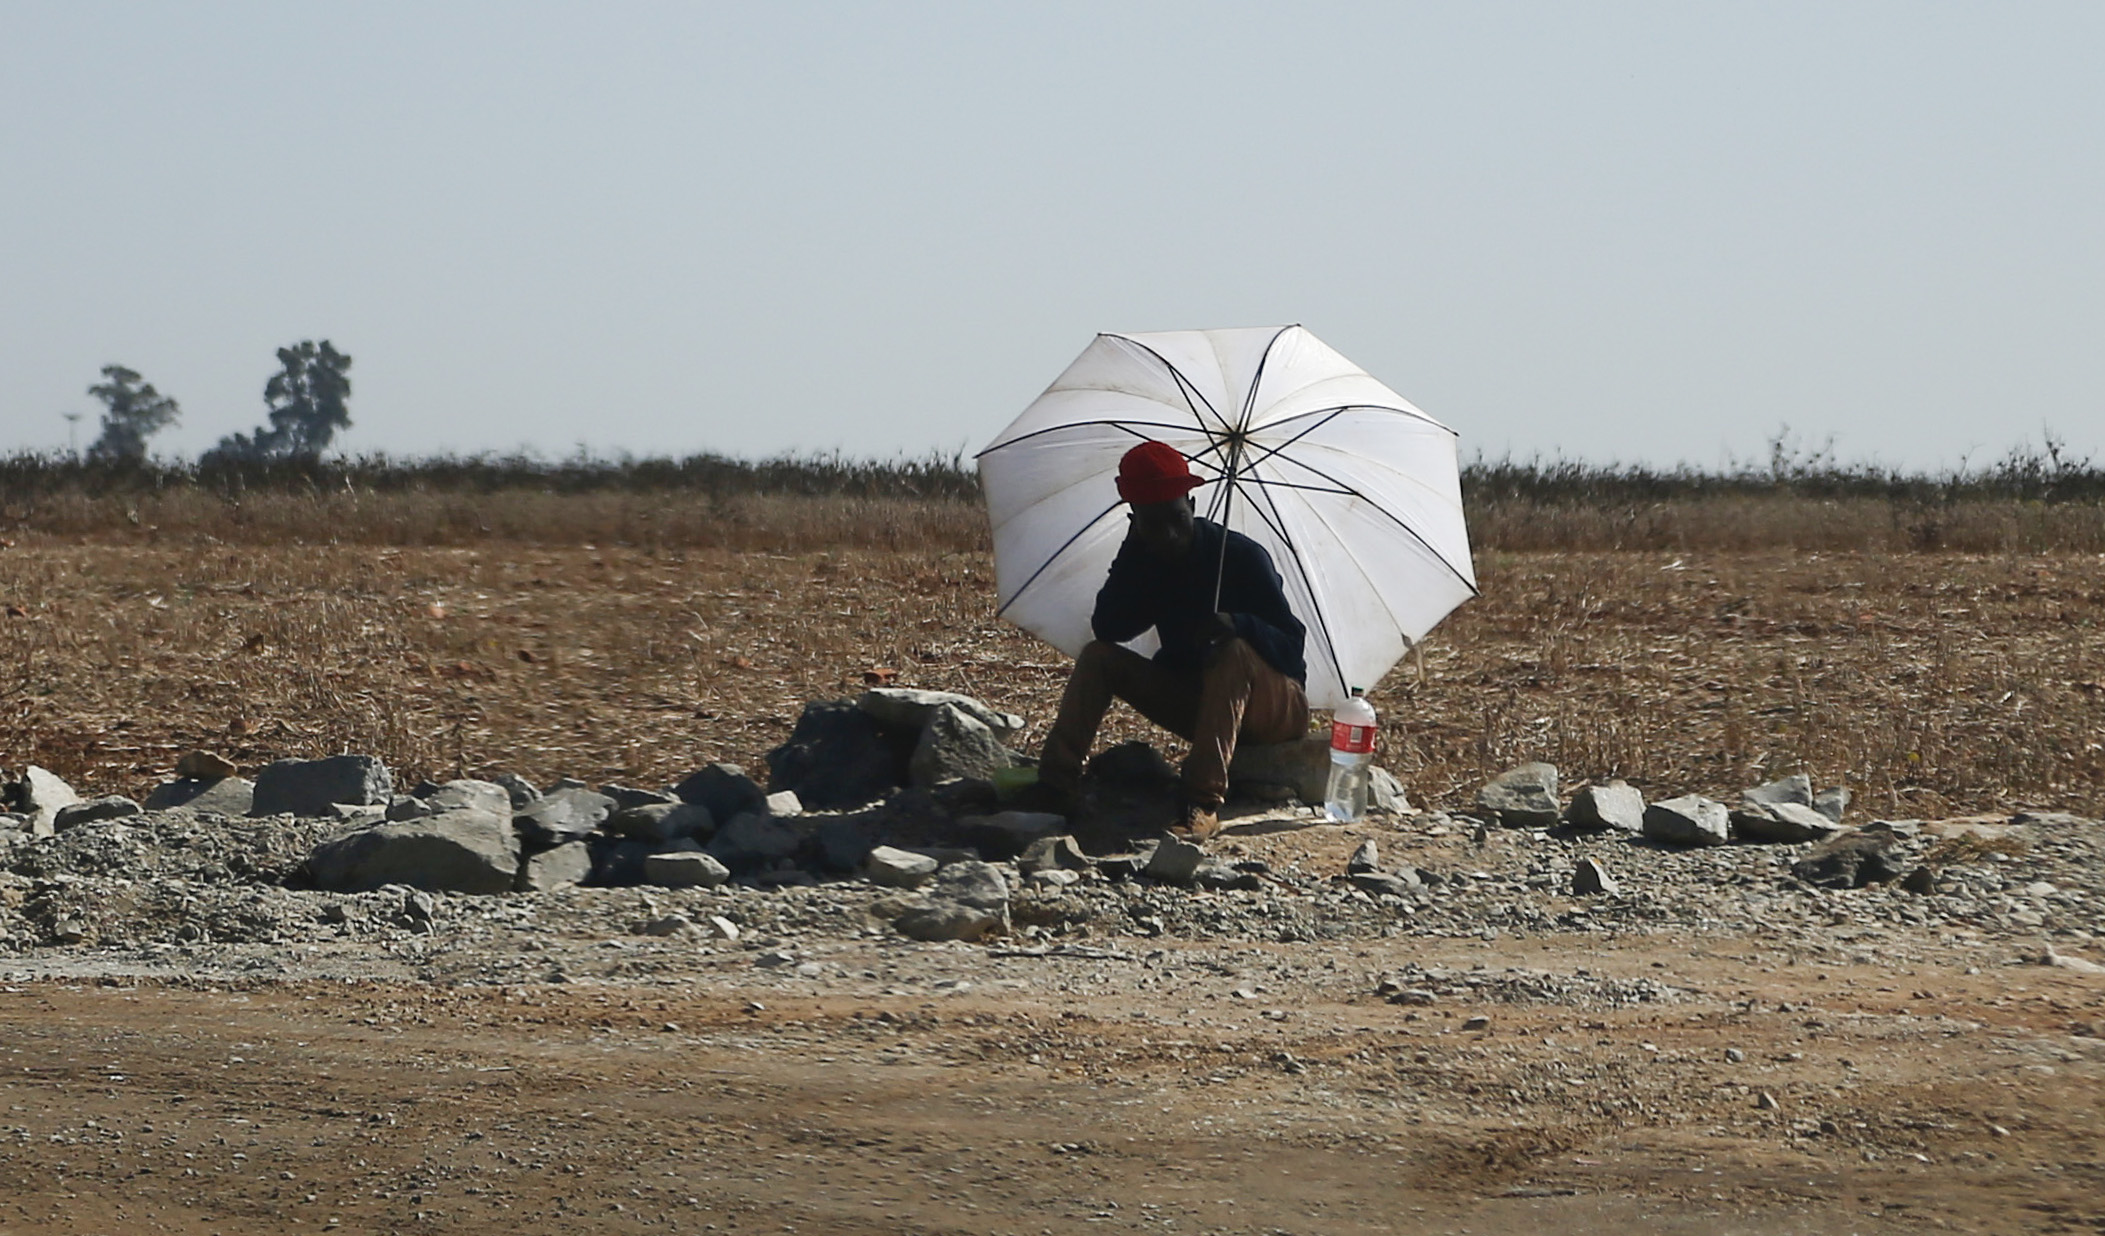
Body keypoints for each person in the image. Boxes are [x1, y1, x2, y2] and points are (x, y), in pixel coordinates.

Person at [1037, 440, 1310, 839]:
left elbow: (1293, 650)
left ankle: (1201, 803)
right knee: (1099, 657)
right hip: (1204, 708)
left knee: (1232, 651)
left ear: (1192, 507)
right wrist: (1133, 555)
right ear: (1135, 520)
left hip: (1274, 708)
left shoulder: (1239, 556)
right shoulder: (1145, 557)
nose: (1168, 534)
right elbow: (1109, 629)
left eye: (1176, 518)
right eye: (1152, 524)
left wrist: (1239, 623)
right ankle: (1054, 787)